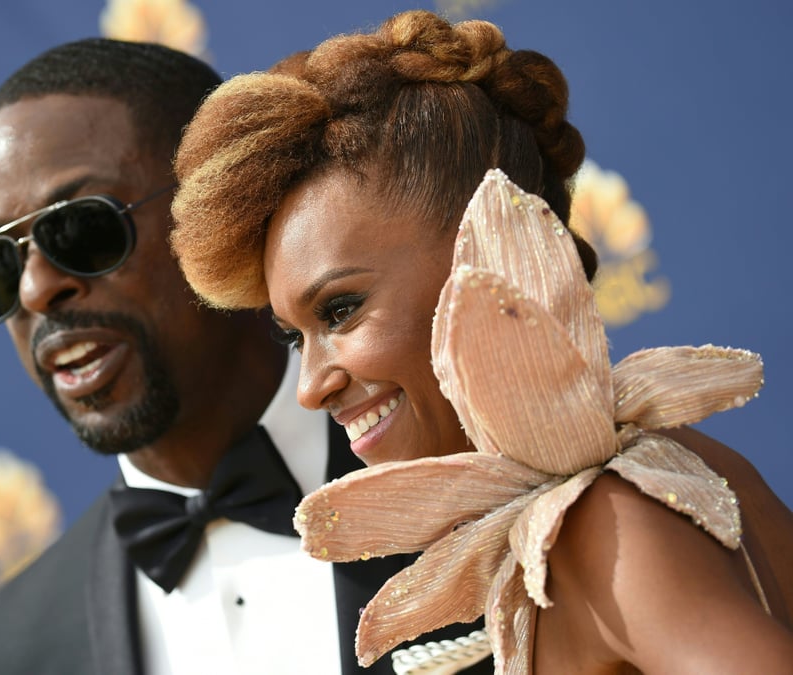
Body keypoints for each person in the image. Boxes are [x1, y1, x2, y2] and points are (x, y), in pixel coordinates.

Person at [169, 10, 793, 673]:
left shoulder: (604, 518)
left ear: (490, 251)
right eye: (295, 336)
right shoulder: (682, 473)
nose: (311, 383)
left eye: (342, 309)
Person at [0, 37, 493, 674]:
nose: (37, 289)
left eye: (80, 228)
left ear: (222, 212)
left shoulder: (480, 464)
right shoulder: (19, 639)